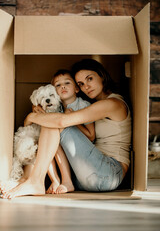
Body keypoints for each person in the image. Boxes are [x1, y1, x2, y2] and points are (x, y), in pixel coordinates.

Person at [1, 58, 131, 199]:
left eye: (90, 79)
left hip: (108, 173)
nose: (86, 86)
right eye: (81, 84)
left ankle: (35, 181)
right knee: (45, 129)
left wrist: (32, 117)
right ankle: (27, 179)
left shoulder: (113, 103)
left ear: (102, 75)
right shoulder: (91, 103)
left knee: (53, 122)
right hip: (84, 175)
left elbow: (62, 121)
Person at [47, 69, 95, 194]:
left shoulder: (83, 105)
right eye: (58, 85)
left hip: (81, 155)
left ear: (76, 89)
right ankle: (55, 179)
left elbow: (91, 136)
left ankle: (66, 181)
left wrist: (73, 119)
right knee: (46, 134)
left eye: (67, 83)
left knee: (54, 128)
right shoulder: (56, 108)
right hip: (65, 158)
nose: (62, 86)